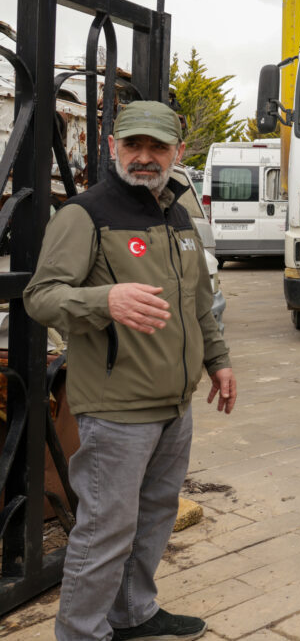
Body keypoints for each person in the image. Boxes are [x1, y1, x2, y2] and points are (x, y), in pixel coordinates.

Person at [24, 101, 236, 641]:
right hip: (116, 408)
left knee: (154, 516)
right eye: (133, 145)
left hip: (174, 405)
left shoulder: (179, 215)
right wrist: (105, 300)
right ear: (114, 146)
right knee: (105, 531)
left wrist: (219, 361)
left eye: (157, 147)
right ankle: (81, 631)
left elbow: (198, 300)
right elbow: (41, 297)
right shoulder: (86, 214)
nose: (144, 157)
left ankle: (133, 613)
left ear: (178, 152)